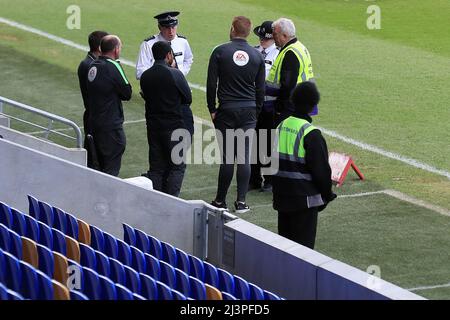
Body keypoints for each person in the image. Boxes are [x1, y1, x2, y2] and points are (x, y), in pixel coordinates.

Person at [207, 16, 265, 213]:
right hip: (248, 110)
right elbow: (260, 89)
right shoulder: (257, 56)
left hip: (227, 110)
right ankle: (241, 202)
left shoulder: (220, 51)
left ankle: (220, 200)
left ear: (232, 29)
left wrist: (212, 109)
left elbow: (211, 84)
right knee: (244, 157)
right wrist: (255, 111)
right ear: (248, 32)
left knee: (227, 158)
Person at [272, 81, 336, 249]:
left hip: (281, 198)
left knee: (285, 250)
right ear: (313, 105)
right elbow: (321, 172)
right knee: (303, 252)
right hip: (304, 201)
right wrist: (327, 194)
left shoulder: (280, 126)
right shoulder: (311, 134)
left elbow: (268, 162)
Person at [140, 41, 192, 196]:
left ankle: (157, 199)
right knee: (177, 166)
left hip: (153, 127)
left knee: (156, 168)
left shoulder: (145, 76)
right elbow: (187, 98)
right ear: (169, 55)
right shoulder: (175, 74)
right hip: (174, 126)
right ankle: (172, 201)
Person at [136, 11, 194, 136]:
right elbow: (140, 72)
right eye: (167, 28)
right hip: (159, 100)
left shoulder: (182, 42)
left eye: (173, 27)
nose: (171, 31)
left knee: (186, 137)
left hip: (179, 100)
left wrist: (180, 74)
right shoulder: (148, 44)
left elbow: (189, 59)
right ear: (159, 27)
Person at [86, 35, 132, 176]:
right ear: (116, 50)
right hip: (110, 128)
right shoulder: (113, 66)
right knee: (110, 171)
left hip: (94, 125)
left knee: (97, 168)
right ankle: (106, 198)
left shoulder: (92, 66)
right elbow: (127, 93)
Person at [267, 18, 315, 127]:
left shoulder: (290, 53)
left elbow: (288, 84)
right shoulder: (300, 47)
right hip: (300, 102)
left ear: (284, 36)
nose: (274, 38)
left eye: (275, 34)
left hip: (289, 106)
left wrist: (279, 107)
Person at [249, 21, 279, 192]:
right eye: (261, 38)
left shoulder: (279, 54)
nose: (262, 41)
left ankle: (270, 180)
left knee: (268, 142)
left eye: (265, 39)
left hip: (269, 104)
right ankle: (253, 179)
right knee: (253, 142)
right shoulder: (253, 51)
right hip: (253, 104)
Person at [77, 30, 108, 168]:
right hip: (96, 116)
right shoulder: (91, 66)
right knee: (95, 159)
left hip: (93, 115)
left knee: (93, 155)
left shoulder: (88, 63)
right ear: (101, 47)